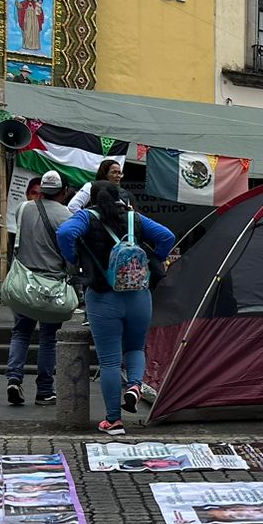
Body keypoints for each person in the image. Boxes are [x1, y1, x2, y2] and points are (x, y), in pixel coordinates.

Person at [56, 180, 175, 436]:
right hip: (139, 295)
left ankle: (113, 421)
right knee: (135, 348)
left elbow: (65, 234)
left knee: (110, 361)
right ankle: (134, 386)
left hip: (103, 296)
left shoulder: (87, 218)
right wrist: (153, 260)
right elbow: (167, 237)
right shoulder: (135, 218)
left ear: (93, 198)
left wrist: (74, 257)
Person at [6, 171, 72, 406]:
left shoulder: (23, 209)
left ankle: (14, 379)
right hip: (51, 284)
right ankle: (44, 390)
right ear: (64, 191)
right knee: (48, 338)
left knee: (21, 332)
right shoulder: (67, 216)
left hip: (24, 281)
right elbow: (68, 252)